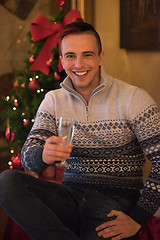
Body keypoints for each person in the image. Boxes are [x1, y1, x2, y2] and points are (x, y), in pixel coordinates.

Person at [0, 21, 159, 240]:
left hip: (115, 202)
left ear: (100, 57)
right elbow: (28, 159)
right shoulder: (53, 100)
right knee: (7, 181)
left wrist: (138, 219)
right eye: (70, 56)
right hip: (70, 196)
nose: (78, 64)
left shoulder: (133, 98)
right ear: (61, 60)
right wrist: (43, 154)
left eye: (87, 55)